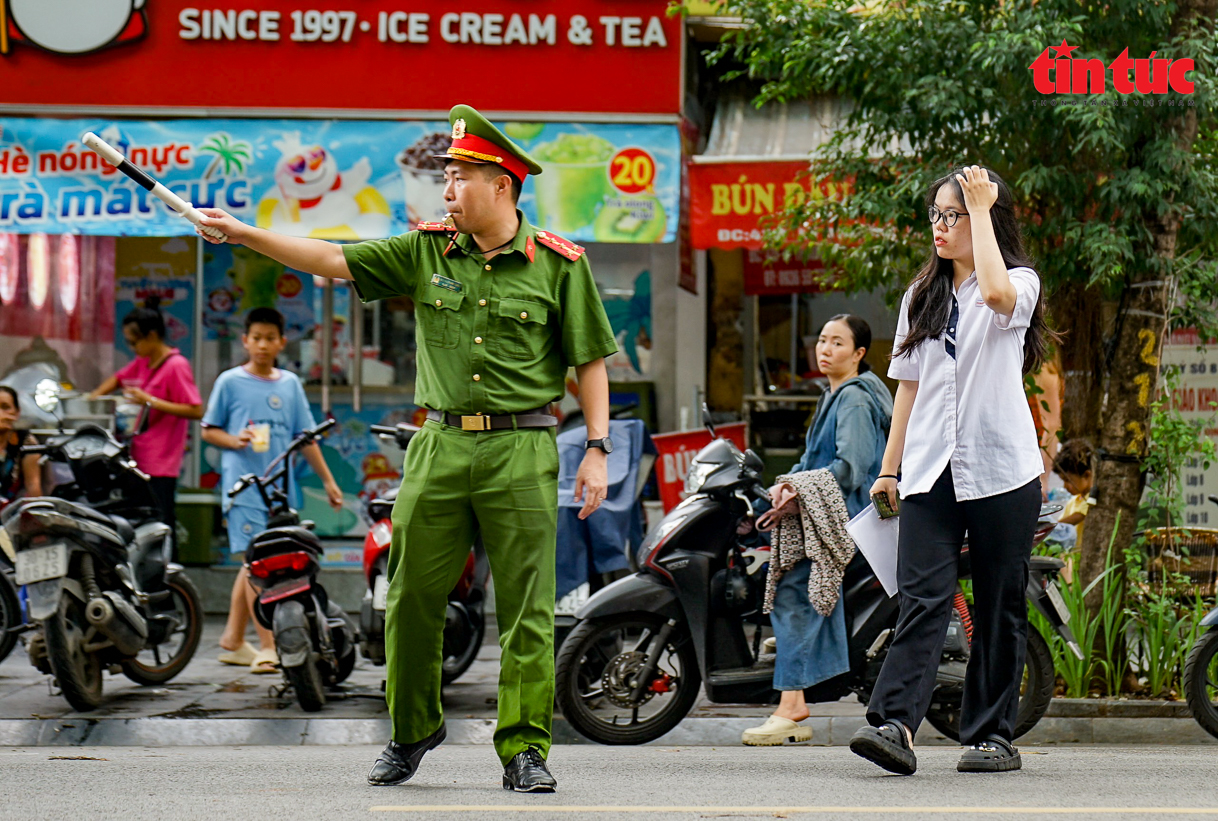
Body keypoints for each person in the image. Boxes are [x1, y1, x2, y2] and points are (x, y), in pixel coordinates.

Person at [193, 105, 617, 793]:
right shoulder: (424, 250)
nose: (445, 189)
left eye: (459, 176)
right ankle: (412, 729)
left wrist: (596, 447)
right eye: (444, 176)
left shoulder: (560, 265)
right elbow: (331, 259)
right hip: (440, 445)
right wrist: (243, 233)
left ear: (503, 183)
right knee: (410, 595)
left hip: (524, 447)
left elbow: (590, 360)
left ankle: (524, 748)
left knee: (527, 608)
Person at [850, 165, 1053, 775]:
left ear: (986, 218)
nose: (939, 227)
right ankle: (893, 726)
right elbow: (909, 390)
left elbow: (995, 297)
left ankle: (992, 737)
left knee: (998, 603)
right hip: (929, 471)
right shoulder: (922, 296)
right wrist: (889, 471)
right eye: (934, 216)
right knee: (923, 598)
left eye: (953, 215)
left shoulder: (1018, 281)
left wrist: (983, 208)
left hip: (1002, 469)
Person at [742, 315, 892, 746]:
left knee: (795, 590)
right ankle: (799, 673)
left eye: (838, 343)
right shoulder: (835, 394)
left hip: (844, 519)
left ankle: (791, 705)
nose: (825, 349)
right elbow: (811, 463)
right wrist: (778, 486)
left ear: (859, 354)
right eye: (822, 341)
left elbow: (850, 468)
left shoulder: (855, 401)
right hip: (828, 514)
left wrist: (797, 485)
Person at [201, 307, 344, 674]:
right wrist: (235, 440)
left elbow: (305, 438)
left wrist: (328, 480)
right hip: (244, 487)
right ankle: (269, 645)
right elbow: (208, 430)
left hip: (281, 487)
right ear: (245, 340)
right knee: (258, 563)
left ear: (282, 342)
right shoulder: (229, 382)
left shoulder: (290, 385)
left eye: (270, 339)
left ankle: (233, 640)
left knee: (255, 562)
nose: (262, 345)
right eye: (256, 338)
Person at [90, 304, 203, 556]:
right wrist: (91, 400)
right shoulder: (144, 362)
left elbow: (195, 409)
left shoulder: (176, 365)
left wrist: (149, 401)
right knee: (140, 522)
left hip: (161, 461)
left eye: (135, 342)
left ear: (152, 335)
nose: (132, 349)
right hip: (138, 456)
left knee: (161, 521)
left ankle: (168, 576)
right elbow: (117, 379)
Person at [1052, 439, 1093, 581]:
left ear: (1087, 475)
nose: (1064, 486)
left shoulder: (1091, 500)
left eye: (1068, 480)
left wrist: (1050, 527)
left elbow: (1077, 517)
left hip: (1080, 561)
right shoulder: (1073, 502)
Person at [0, 386, 42, 502]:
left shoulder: (26, 442)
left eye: (5, 407)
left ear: (17, 413)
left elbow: (33, 484)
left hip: (10, 511)